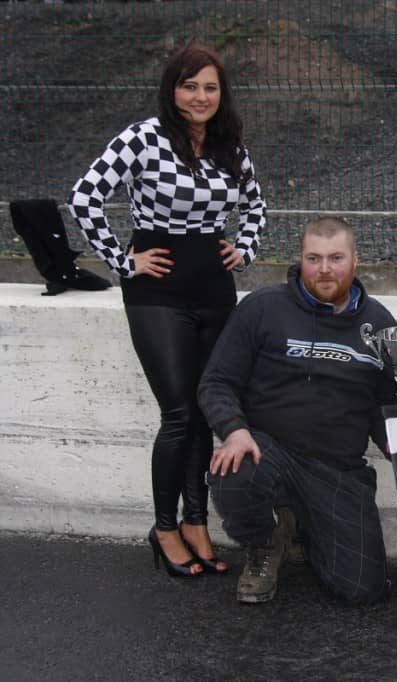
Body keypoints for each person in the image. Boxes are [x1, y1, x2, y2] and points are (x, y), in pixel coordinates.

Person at [67, 43, 266, 578]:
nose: (199, 97)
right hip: (157, 291)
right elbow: (84, 196)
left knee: (204, 409)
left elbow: (257, 206)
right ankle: (163, 527)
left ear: (221, 94)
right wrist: (122, 261)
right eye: (189, 85)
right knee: (178, 413)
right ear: (171, 89)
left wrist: (243, 247)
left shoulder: (231, 145)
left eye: (210, 87)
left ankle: (197, 522)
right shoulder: (143, 138)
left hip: (214, 287)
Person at [198, 217, 397, 605]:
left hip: (338, 468)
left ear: (355, 260)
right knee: (232, 469)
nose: (325, 269)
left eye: (336, 258)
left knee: (362, 590)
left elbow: (383, 403)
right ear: (301, 260)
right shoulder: (262, 308)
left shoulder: (379, 323)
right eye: (314, 258)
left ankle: (301, 524)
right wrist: (234, 430)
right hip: (269, 452)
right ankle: (263, 543)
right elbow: (216, 382)